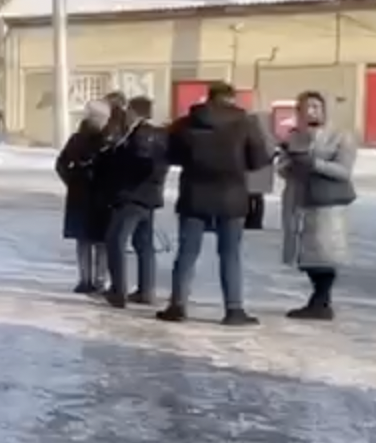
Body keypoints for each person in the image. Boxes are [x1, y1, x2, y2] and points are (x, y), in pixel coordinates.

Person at [159, 80, 268, 325]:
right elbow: (259, 159)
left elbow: (171, 155)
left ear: (208, 97)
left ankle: (177, 305)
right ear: (232, 98)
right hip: (232, 196)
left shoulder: (187, 123)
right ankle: (234, 309)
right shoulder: (246, 123)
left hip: (193, 194)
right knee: (230, 254)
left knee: (187, 252)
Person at [277, 90, 356, 320]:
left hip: (326, 203)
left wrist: (315, 164)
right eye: (305, 108)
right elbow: (281, 169)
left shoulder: (341, 137)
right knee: (304, 253)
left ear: (324, 110)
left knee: (324, 253)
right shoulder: (295, 136)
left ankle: (321, 300)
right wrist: (289, 162)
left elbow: (344, 171)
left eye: (315, 107)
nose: (311, 112)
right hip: (298, 200)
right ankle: (319, 298)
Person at [98, 96, 166, 308]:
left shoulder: (140, 135)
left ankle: (119, 290)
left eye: (128, 110)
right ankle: (146, 290)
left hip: (132, 196)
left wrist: (114, 159)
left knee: (115, 240)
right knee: (143, 244)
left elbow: (139, 162)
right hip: (150, 197)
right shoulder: (160, 134)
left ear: (135, 112)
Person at [55, 99, 112, 294]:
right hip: (101, 196)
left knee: (84, 240)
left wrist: (71, 181)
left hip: (79, 196)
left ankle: (85, 279)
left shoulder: (76, 139)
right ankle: (99, 280)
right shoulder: (106, 139)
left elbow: (61, 164)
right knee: (101, 241)